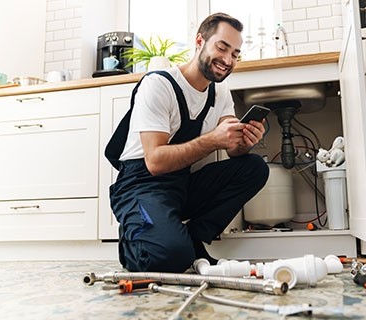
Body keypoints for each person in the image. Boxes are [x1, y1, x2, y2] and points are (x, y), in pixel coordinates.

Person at [105, 13, 269, 273]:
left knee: (254, 167)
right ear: (199, 41)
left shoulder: (220, 91)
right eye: (222, 47)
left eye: (235, 54)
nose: (228, 60)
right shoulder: (159, 85)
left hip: (181, 184)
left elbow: (233, 149)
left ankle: (193, 237)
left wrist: (245, 141)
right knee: (170, 258)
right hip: (141, 185)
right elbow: (155, 161)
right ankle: (135, 239)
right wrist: (212, 140)